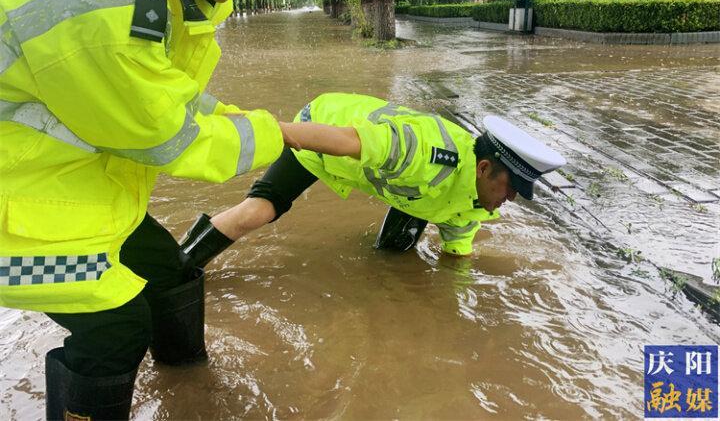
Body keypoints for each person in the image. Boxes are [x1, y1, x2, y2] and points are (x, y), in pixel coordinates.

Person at [0, 0, 325, 419]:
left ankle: (190, 389)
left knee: (169, 273)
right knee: (117, 329)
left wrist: (255, 122)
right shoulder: (106, 0)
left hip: (65, 183)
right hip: (17, 203)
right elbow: (170, 139)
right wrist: (285, 134)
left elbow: (174, 99)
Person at [180, 92, 567, 268]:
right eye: (511, 188)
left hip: (405, 186)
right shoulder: (424, 153)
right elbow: (350, 141)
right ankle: (179, 267)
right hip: (326, 130)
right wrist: (264, 129)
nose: (511, 199)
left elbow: (457, 253)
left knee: (398, 257)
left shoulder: (475, 203)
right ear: (485, 169)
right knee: (259, 210)